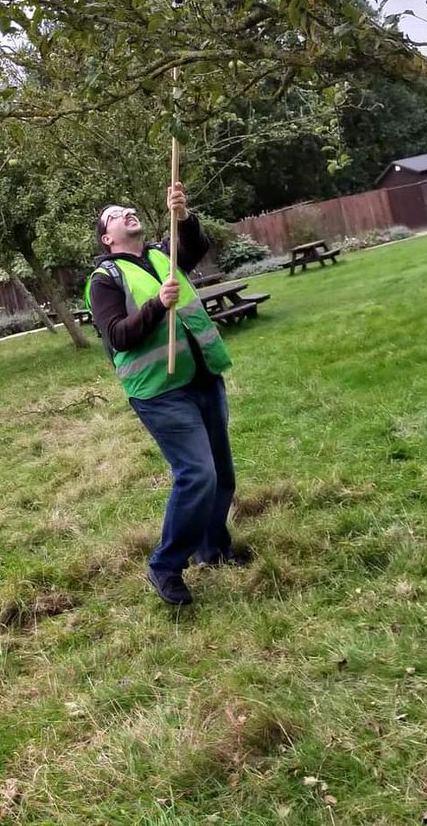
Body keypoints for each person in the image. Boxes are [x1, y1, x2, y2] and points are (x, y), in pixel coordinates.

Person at [85, 183, 249, 606]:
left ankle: (213, 550)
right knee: (198, 475)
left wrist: (183, 216)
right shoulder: (105, 279)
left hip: (202, 376)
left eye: (129, 207)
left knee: (222, 475)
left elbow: (195, 244)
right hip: (160, 392)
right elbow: (119, 336)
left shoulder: (163, 254)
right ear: (108, 238)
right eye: (115, 213)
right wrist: (157, 304)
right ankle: (165, 566)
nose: (127, 212)